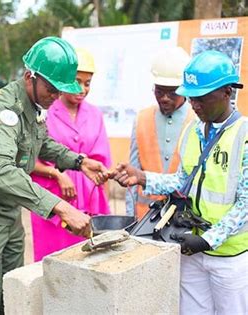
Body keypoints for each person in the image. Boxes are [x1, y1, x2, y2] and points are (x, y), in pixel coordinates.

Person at [0, 36, 109, 315]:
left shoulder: (34, 107)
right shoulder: (2, 111)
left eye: (61, 91)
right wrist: (61, 207)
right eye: (51, 89)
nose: (56, 97)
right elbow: (2, 171)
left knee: (10, 294)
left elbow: (42, 143)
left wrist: (79, 161)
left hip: (8, 213)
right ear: (29, 77)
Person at [114, 50, 247, 314]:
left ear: (227, 92)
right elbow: (183, 181)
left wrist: (210, 239)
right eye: (192, 98)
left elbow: (245, 203)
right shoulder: (194, 130)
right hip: (191, 248)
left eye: (202, 98)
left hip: (229, 257)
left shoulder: (244, 136)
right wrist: (143, 178)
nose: (194, 105)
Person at [30, 48, 112, 262]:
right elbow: (26, 159)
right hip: (53, 198)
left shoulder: (95, 114)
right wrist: (56, 173)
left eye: (88, 83)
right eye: (76, 81)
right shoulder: (44, 111)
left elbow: (102, 159)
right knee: (54, 262)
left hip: (90, 199)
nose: (82, 89)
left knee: (90, 262)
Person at [126, 46, 194, 219]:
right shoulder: (141, 118)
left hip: (183, 218)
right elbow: (132, 173)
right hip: (145, 217)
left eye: (172, 93)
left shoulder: (197, 120)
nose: (164, 97)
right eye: (159, 91)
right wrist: (130, 217)